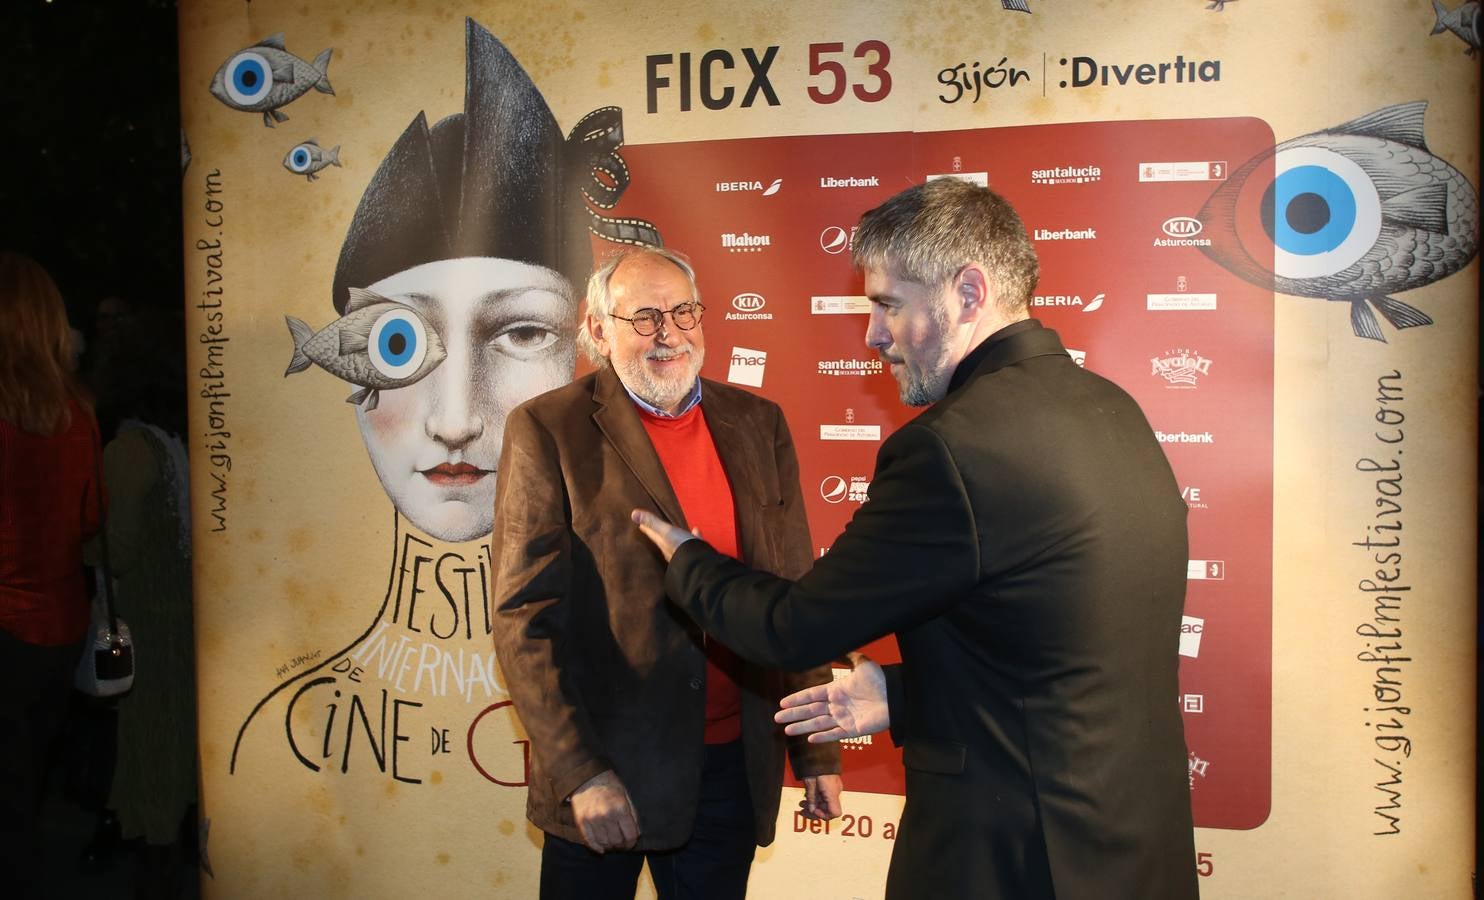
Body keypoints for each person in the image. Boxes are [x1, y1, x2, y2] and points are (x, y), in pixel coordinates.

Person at [633, 179, 1200, 899]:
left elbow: (791, 629)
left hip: (1012, 861)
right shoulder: (1112, 409)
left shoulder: (953, 448)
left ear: (967, 292)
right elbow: (1062, 658)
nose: (872, 335)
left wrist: (687, 560)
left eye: (887, 305)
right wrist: (902, 696)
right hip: (1132, 849)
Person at [491, 246, 843, 900]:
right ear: (598, 331)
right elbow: (523, 620)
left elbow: (793, 597)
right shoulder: (548, 429)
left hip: (731, 769)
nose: (669, 333)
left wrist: (816, 747)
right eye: (645, 317)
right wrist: (581, 773)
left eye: (683, 311)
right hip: (605, 771)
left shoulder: (758, 424)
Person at [0, 251, 106, 900]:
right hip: (56, 629)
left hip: (5, 625)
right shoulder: (79, 412)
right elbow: (90, 517)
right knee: (23, 786)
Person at [86, 307, 197, 897]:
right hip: (183, 618)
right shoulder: (182, 443)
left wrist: (72, 542)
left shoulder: (129, 450)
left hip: (146, 620)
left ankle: (154, 864)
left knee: (149, 739)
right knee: (175, 735)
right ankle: (168, 845)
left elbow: (118, 548)